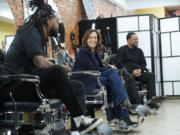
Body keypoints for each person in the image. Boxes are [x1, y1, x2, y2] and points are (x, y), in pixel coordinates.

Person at [0, 0, 102, 134]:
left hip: (27, 83)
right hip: (13, 87)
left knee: (76, 86)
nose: (57, 24)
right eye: (56, 20)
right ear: (48, 21)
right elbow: (39, 62)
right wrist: (58, 68)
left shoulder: (39, 35)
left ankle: (77, 130)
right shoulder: (30, 31)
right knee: (57, 70)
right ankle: (79, 119)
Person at [72, 29, 138, 129]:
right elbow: (93, 69)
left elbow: (99, 68)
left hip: (94, 78)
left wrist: (108, 67)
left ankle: (122, 116)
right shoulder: (83, 52)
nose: (93, 40)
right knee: (112, 73)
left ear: (98, 40)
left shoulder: (94, 53)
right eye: (90, 37)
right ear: (86, 39)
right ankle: (123, 105)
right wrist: (109, 67)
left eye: (95, 37)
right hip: (84, 81)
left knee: (113, 78)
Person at [115, 32, 160, 109]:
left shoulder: (139, 51)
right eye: (134, 39)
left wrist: (140, 70)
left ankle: (151, 101)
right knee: (130, 77)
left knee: (151, 75)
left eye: (137, 39)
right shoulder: (122, 50)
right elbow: (119, 64)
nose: (136, 41)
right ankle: (137, 103)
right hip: (128, 74)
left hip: (138, 73)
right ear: (128, 40)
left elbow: (143, 63)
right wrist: (132, 71)